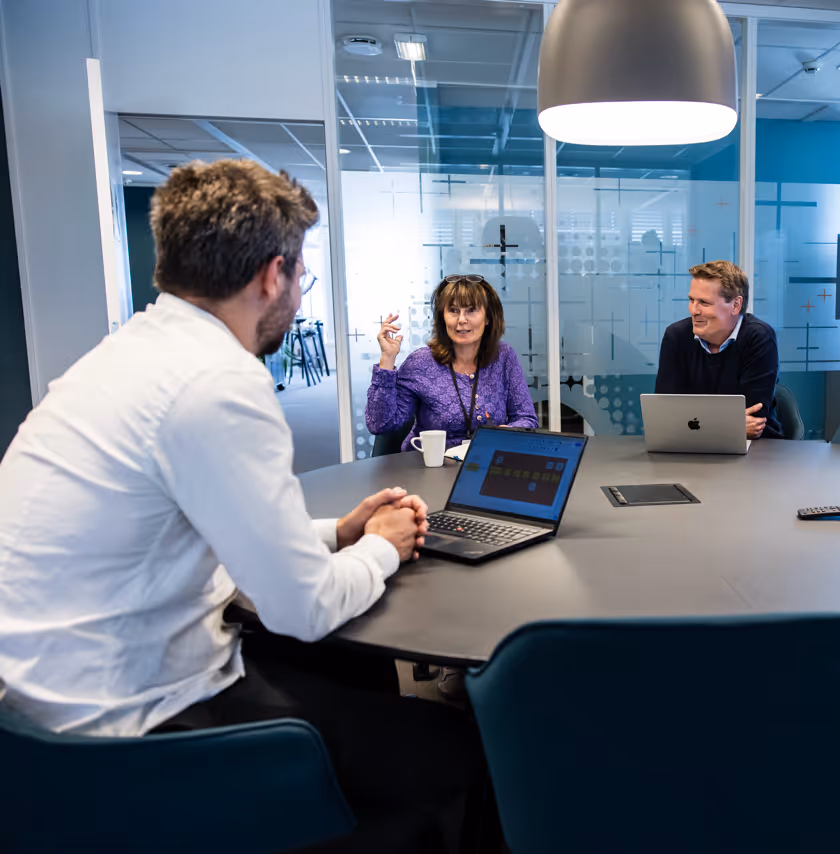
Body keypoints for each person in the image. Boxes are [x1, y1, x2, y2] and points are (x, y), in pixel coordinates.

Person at [0, 160, 482, 850]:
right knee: (450, 751)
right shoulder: (218, 382)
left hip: (42, 715)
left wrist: (336, 531)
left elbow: (192, 527)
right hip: (127, 731)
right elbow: (305, 608)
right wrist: (383, 543)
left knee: (361, 671)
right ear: (270, 275)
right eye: (302, 277)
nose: (298, 296)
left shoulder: (126, 356)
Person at [366, 275, 538, 451]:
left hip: (483, 462)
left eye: (471, 310)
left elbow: (527, 419)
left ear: (488, 318)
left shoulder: (503, 356)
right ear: (443, 318)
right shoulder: (420, 363)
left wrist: (508, 432)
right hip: (429, 468)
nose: (462, 319)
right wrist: (387, 360)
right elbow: (381, 425)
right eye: (454, 311)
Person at [655, 260, 782, 439]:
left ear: (736, 305)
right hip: (690, 445)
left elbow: (754, 421)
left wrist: (692, 422)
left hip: (757, 449)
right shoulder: (676, 336)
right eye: (691, 300)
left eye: (704, 303)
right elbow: (663, 414)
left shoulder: (759, 337)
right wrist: (731, 424)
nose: (693, 310)